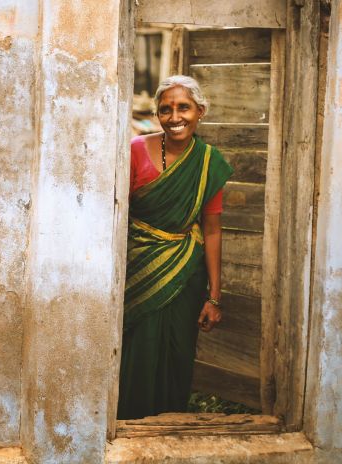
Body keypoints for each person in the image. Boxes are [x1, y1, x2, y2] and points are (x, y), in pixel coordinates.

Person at [118, 75, 233, 420]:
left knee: (177, 351)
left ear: (200, 112)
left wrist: (214, 296)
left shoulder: (209, 162)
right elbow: (118, 213)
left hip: (185, 274)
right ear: (157, 115)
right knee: (136, 348)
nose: (174, 116)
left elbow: (212, 229)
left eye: (184, 107)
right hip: (138, 267)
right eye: (165, 109)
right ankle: (129, 423)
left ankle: (169, 425)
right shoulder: (136, 150)